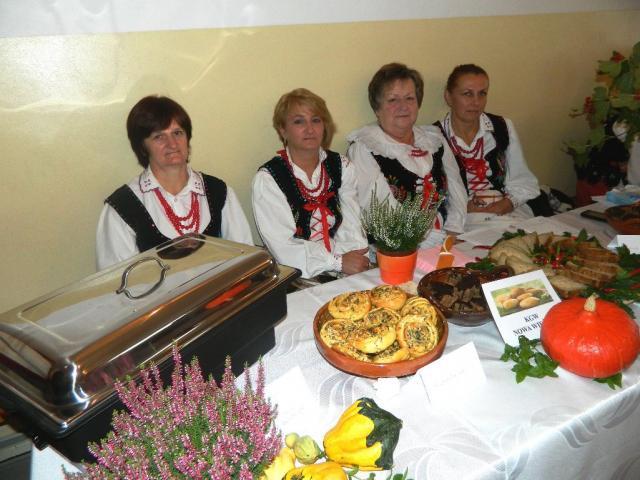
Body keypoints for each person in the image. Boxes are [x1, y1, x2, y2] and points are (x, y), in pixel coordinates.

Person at [96, 95, 252, 270]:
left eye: (177, 133)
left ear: (187, 138)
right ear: (142, 147)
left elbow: (245, 261)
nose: (172, 144)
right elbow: (118, 280)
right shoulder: (121, 208)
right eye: (159, 136)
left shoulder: (220, 192)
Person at [252, 88, 369, 279]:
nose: (310, 129)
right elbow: (282, 245)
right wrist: (336, 262)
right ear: (283, 130)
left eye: (316, 120)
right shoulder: (269, 178)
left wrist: (353, 259)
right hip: (296, 276)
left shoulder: (341, 166)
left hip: (345, 266)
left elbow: (351, 223)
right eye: (299, 121)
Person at [346, 63, 467, 243]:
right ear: (377, 108)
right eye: (393, 100)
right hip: (397, 246)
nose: (403, 106)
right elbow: (381, 215)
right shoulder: (365, 148)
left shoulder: (434, 140)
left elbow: (457, 191)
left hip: (447, 237)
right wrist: (438, 241)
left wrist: (453, 230)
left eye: (410, 98)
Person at [435, 64, 552, 230]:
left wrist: (509, 203)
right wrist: (463, 208)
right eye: (467, 94)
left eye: (482, 93)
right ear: (448, 97)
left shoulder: (501, 127)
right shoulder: (434, 137)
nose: (476, 102)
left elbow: (523, 180)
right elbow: (432, 196)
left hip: (506, 210)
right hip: (464, 218)